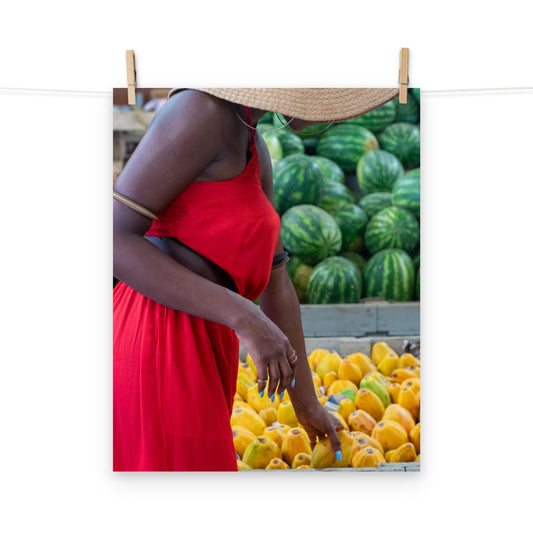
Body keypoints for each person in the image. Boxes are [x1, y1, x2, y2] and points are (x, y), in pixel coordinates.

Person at [113, 87, 399, 471]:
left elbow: (277, 282)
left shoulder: (252, 141)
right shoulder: (200, 110)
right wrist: (244, 316)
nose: (329, 114)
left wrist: (307, 404)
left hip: (208, 345)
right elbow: (113, 238)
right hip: (159, 341)